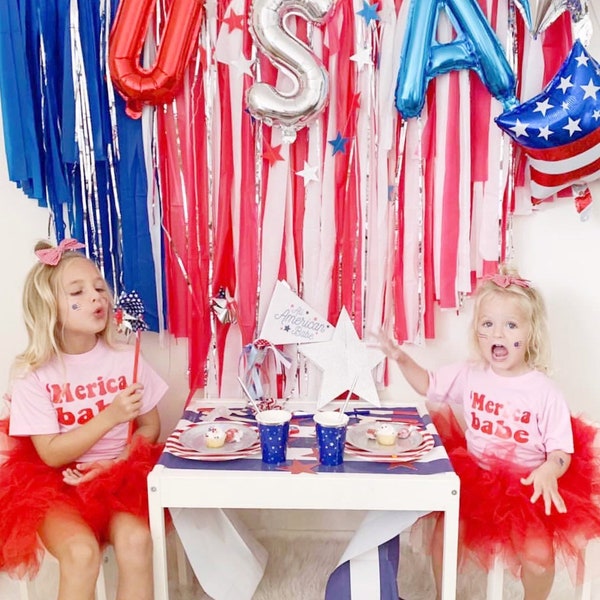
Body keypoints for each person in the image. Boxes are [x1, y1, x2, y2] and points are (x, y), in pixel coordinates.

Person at [379, 267, 600, 600]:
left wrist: (548, 470)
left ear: (530, 334)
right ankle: (444, 594)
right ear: (477, 332)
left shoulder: (543, 390)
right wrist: (400, 358)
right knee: (446, 535)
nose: (498, 333)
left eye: (510, 325)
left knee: (539, 558)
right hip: (476, 476)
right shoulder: (472, 374)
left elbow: (560, 450)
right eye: (488, 324)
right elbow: (429, 384)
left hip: (528, 484)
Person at [0, 239, 168, 600]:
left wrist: (119, 460)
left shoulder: (127, 359)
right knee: (81, 554)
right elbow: (51, 455)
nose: (97, 298)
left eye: (99, 288)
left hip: (119, 477)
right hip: (57, 485)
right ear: (49, 309)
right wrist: (111, 416)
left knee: (137, 542)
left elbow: (151, 427)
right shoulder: (34, 376)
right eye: (78, 291)